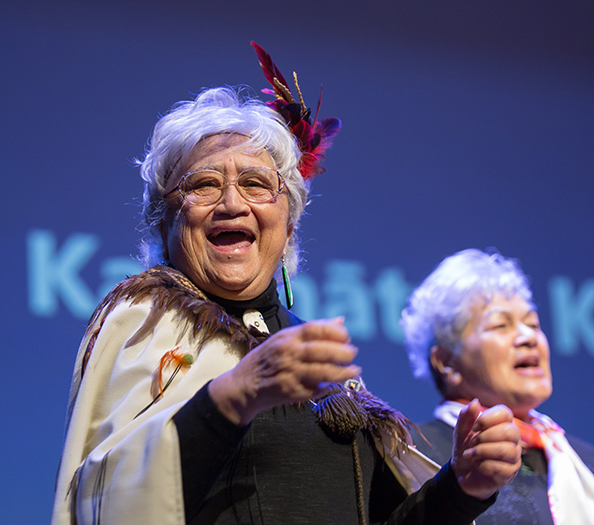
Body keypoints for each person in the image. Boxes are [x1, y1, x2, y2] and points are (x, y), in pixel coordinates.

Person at [52, 44, 521, 524]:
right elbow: (108, 494)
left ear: (289, 223)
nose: (232, 203)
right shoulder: (144, 318)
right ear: (163, 220)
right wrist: (235, 395)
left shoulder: (316, 361)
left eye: (256, 184)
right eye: (203, 184)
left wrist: (462, 487)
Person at [401, 248, 594, 525]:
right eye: (501, 325)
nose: (528, 337)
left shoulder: (584, 460)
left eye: (533, 323)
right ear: (446, 363)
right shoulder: (413, 453)